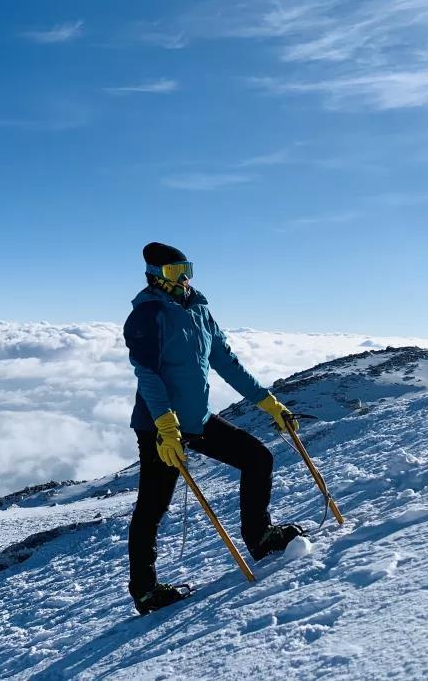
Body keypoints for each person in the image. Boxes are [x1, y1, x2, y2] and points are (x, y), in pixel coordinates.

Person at [123, 242, 304, 615]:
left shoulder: (200, 310)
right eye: (175, 272)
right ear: (155, 275)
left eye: (187, 269)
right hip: (160, 427)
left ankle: (259, 537)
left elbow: (227, 362)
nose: (185, 278)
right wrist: (164, 425)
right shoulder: (147, 314)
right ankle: (145, 591)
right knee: (152, 507)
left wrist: (268, 402)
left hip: (198, 420)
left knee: (258, 458)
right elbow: (148, 374)